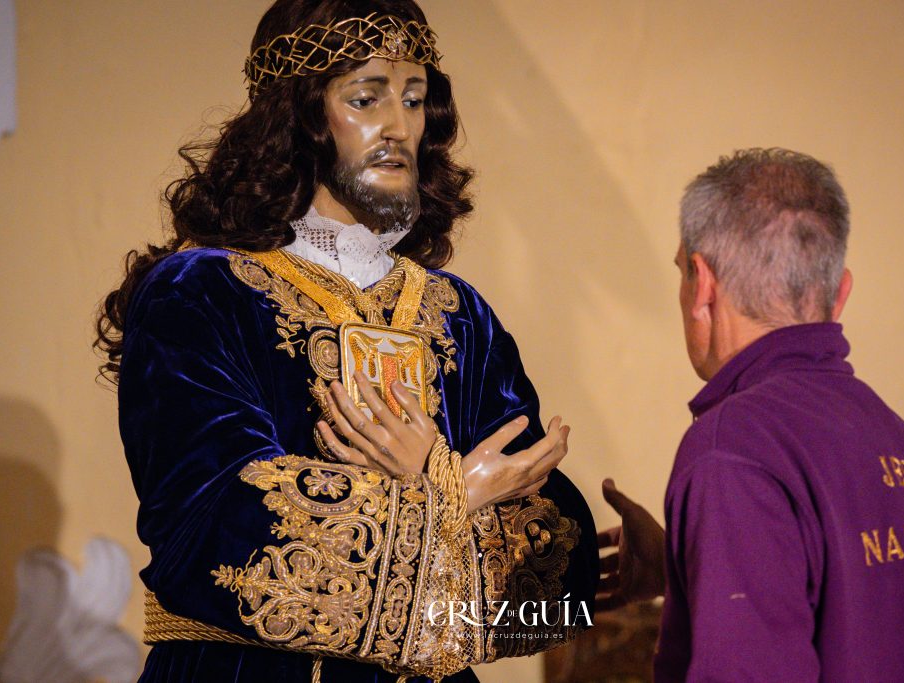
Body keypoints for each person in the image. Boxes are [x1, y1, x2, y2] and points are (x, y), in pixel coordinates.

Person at [95, 2, 597, 681]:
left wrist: (444, 481)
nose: (397, 126)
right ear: (299, 117)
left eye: (415, 101)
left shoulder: (459, 315)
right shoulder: (200, 292)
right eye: (366, 98)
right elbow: (214, 523)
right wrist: (451, 496)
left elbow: (553, 571)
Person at [596, 148, 904, 681]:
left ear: (703, 284)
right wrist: (688, 567)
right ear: (839, 296)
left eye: (682, 272)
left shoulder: (732, 449)